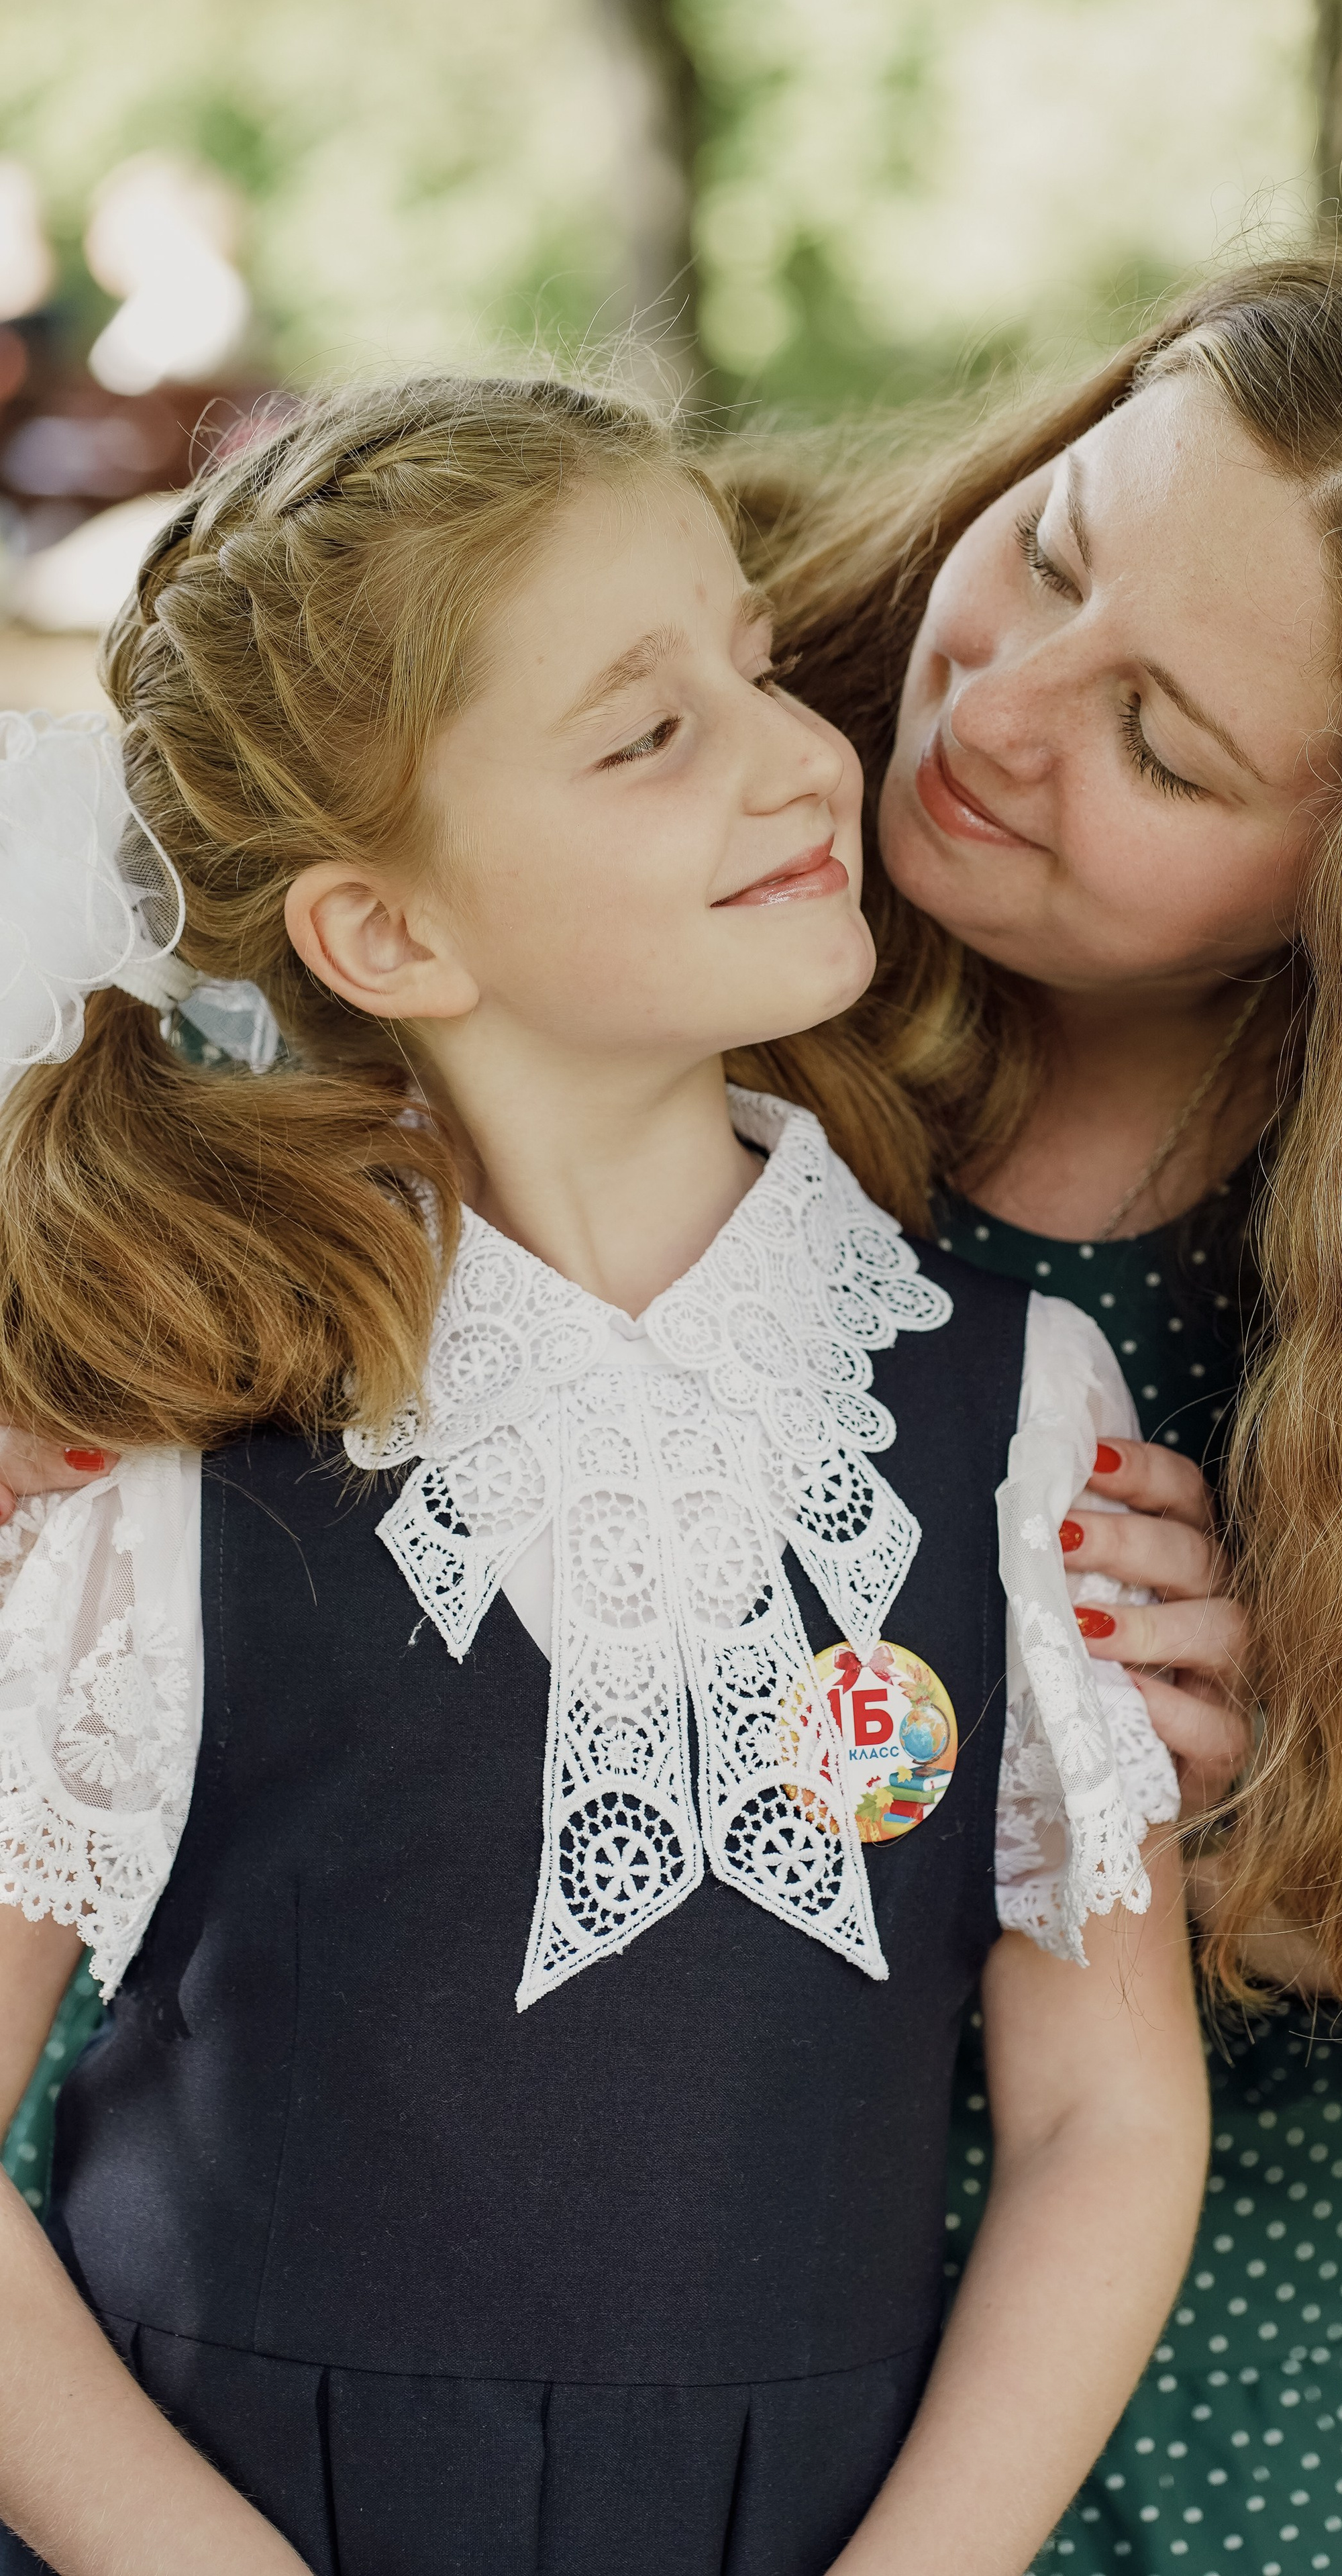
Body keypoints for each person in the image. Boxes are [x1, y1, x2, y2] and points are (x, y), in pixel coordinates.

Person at [0, 377, 1210, 2575]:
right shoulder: (164, 1447)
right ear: (387, 936)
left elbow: (1109, 2116)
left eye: (753, 666)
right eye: (647, 734)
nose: (801, 750)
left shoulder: (1013, 1406)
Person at [729, 248, 1342, 2571]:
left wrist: (1327, 1796)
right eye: (1052, 549)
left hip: (1263, 2402)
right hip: (598, 2257)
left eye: (1167, 745)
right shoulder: (683, 786)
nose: (1001, 709)